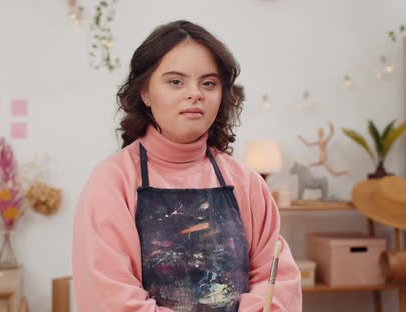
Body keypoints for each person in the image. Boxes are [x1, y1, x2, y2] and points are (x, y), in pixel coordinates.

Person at [73, 20, 301, 311]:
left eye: (208, 83)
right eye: (175, 82)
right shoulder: (112, 181)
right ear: (145, 93)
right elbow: (110, 295)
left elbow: (277, 281)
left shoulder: (247, 182)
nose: (195, 94)